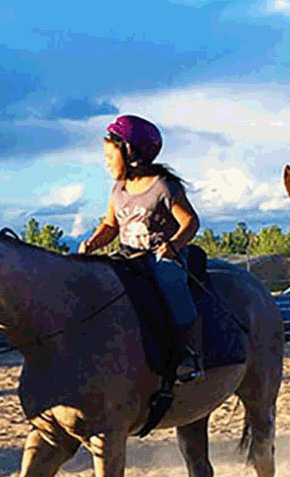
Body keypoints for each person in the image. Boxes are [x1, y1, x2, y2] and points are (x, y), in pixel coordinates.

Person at [78, 114, 205, 381]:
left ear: (129, 152)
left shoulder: (163, 187)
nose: (106, 162)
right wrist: (92, 243)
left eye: (109, 156)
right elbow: (111, 226)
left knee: (171, 283)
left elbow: (191, 222)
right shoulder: (118, 189)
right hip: (128, 257)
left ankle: (191, 355)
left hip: (161, 256)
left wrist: (174, 245)